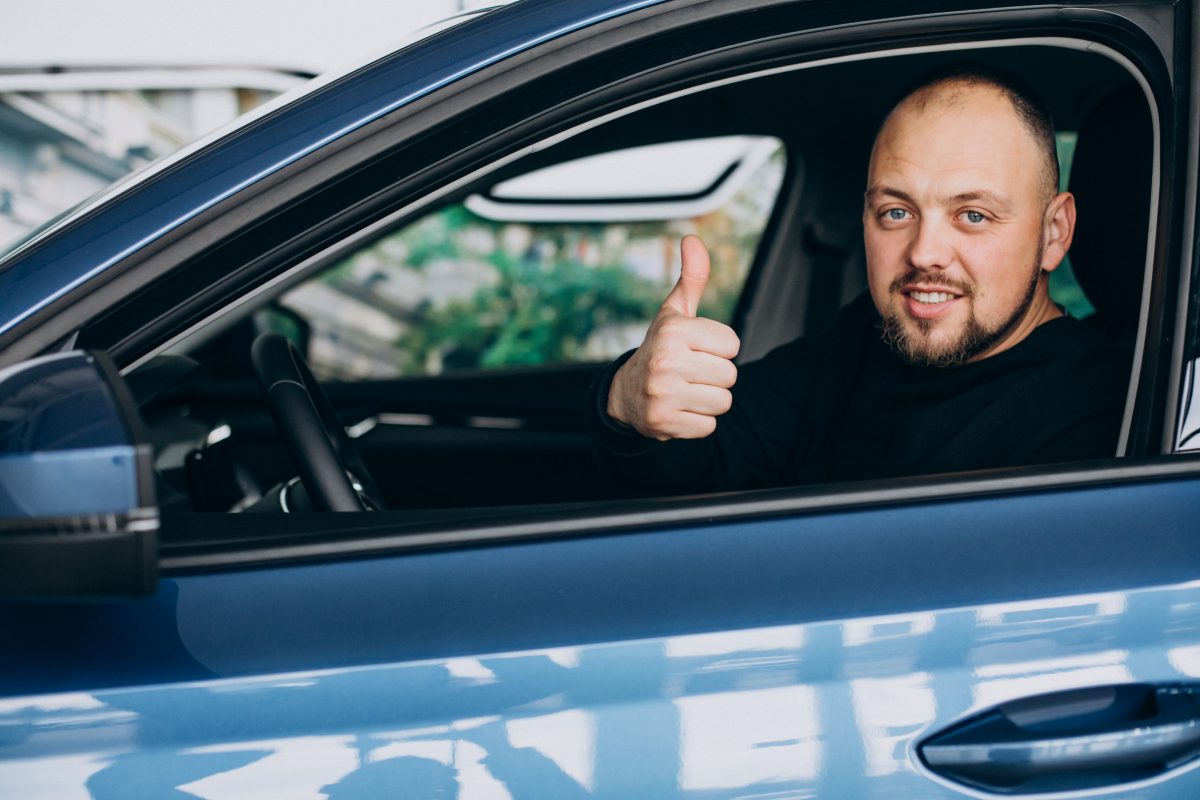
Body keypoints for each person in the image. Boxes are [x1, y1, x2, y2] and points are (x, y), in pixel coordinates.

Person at [587, 66, 1128, 492]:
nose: (925, 253)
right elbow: (701, 466)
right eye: (896, 211)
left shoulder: (1101, 419)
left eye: (973, 215)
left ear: (1054, 233)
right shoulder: (860, 342)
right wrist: (629, 402)